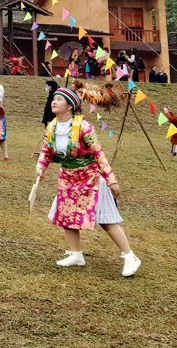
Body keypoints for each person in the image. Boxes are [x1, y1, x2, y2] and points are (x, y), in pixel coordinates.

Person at [36, 88, 142, 277]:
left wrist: (111, 180)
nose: (54, 101)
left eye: (59, 99)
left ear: (70, 106)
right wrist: (40, 166)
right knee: (66, 217)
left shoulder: (84, 127)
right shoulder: (51, 127)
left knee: (106, 220)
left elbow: (98, 153)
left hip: (90, 178)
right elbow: (46, 150)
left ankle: (130, 256)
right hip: (67, 177)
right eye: (54, 99)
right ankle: (76, 255)